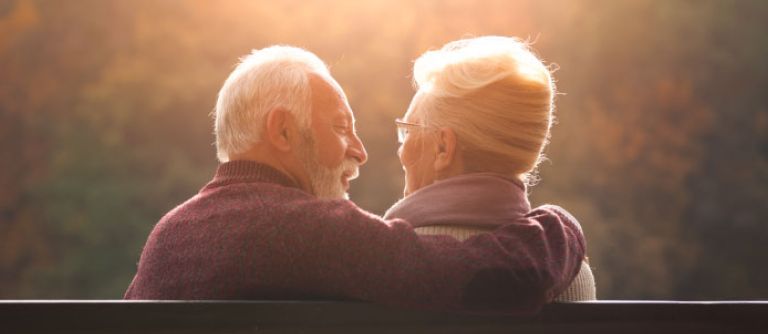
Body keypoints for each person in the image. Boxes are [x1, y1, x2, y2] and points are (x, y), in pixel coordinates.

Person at [124, 45, 587, 314]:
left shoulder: (169, 234)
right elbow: (491, 278)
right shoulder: (306, 231)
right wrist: (560, 226)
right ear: (283, 131)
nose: (361, 151)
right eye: (341, 128)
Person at [385, 36, 596, 301]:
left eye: (408, 131)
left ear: (443, 148)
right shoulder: (573, 272)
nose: (401, 150)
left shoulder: (388, 266)